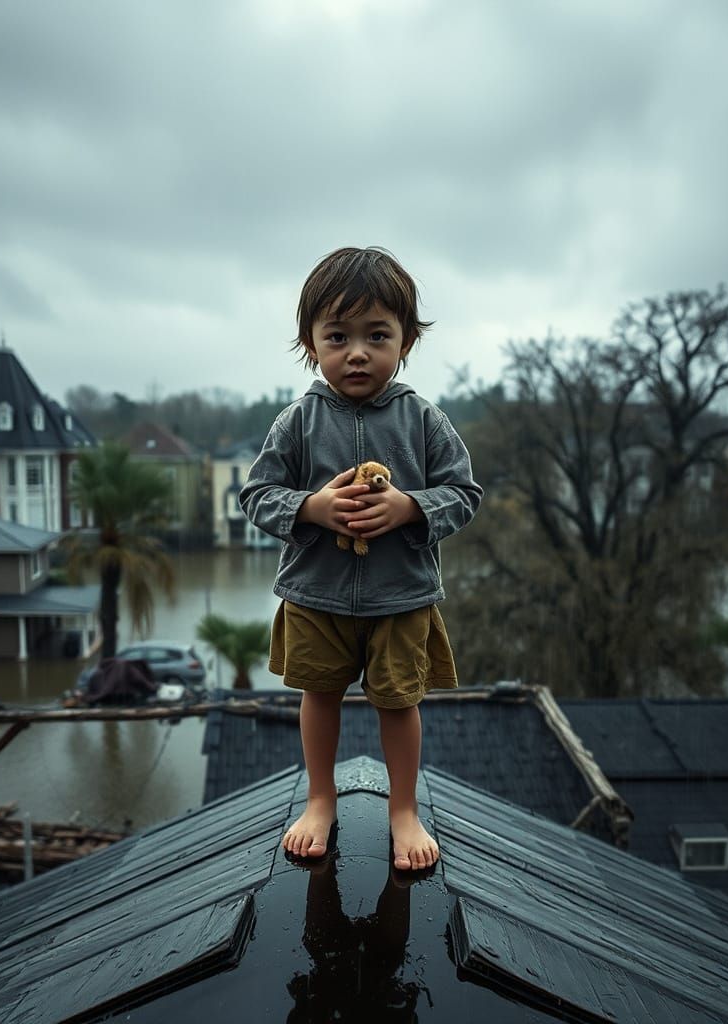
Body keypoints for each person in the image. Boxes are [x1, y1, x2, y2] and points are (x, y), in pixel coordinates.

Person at [239, 246, 482, 871]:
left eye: (377, 335)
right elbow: (256, 495)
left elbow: (464, 494)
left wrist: (410, 508)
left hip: (401, 597)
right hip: (315, 595)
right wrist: (311, 509)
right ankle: (321, 799)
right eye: (338, 335)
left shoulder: (424, 420)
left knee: (400, 701)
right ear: (310, 343)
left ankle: (404, 810)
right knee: (318, 695)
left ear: (405, 342)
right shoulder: (296, 421)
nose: (357, 352)